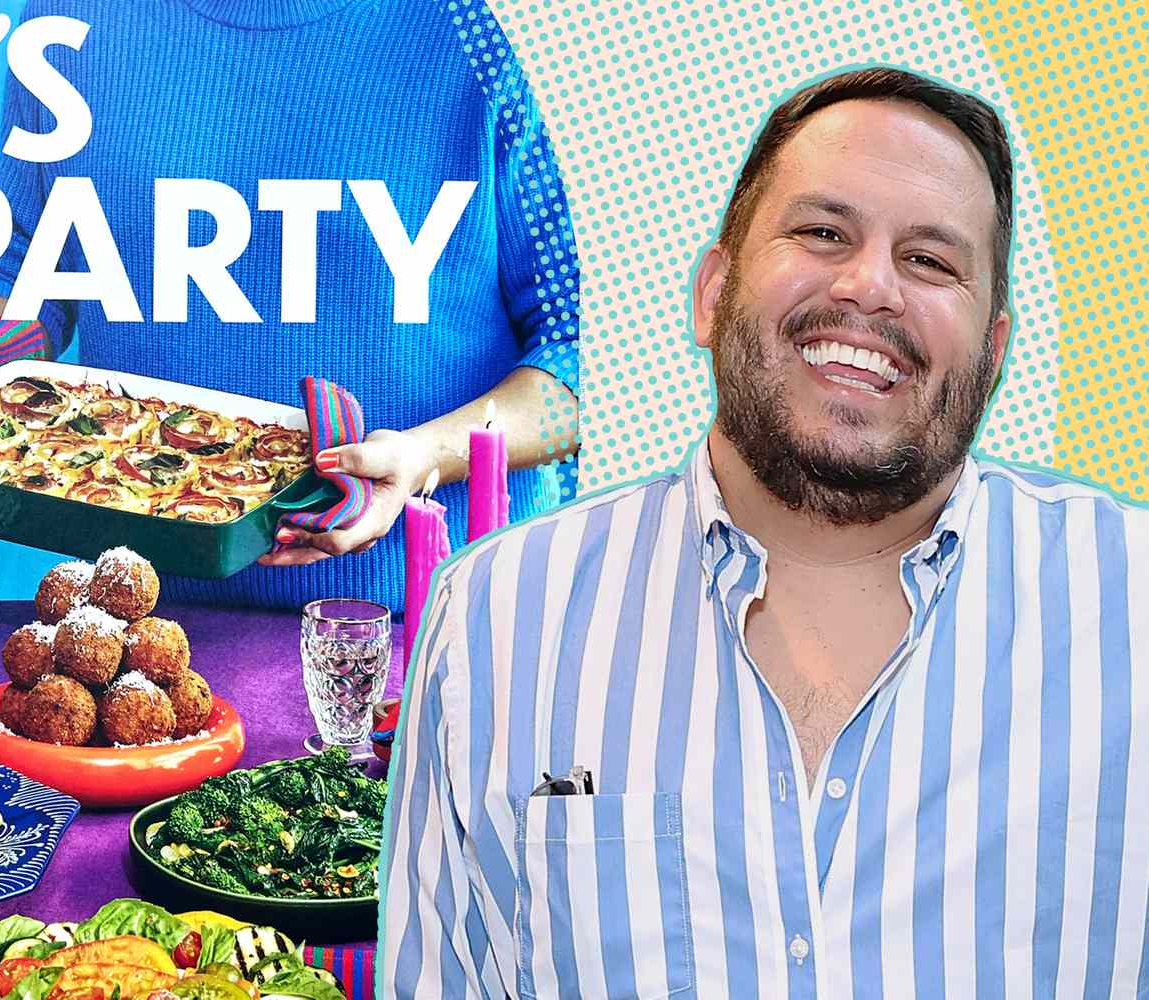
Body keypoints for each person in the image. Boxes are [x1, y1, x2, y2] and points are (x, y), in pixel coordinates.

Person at [380, 67, 1149, 998]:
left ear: (992, 354)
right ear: (711, 293)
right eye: (823, 232)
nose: (871, 287)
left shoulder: (1131, 608)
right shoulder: (499, 622)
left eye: (932, 261)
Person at [0, 0, 580, 612]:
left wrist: (423, 456)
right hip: (142, 615)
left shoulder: (502, 30)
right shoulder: (73, 15)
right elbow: (21, 258)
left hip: (443, 617)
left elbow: (586, 358)